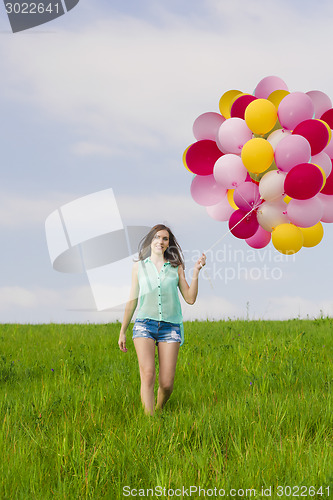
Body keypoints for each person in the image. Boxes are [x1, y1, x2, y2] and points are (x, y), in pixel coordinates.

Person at [118, 224, 206, 415]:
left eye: (165, 238)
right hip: (144, 326)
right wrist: (123, 330)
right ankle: (149, 423)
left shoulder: (176, 267)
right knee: (148, 375)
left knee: (166, 384)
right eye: (157, 237)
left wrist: (196, 272)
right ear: (151, 240)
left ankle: (158, 408)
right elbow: (132, 299)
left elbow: (190, 298)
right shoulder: (139, 267)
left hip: (170, 328)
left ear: (168, 244)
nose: (161, 241)